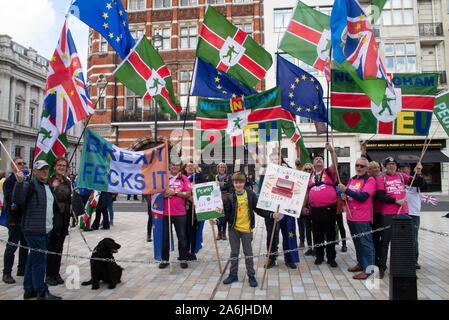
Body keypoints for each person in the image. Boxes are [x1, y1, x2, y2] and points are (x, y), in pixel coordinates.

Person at [13, 160, 62, 300]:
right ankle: (42, 292)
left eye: (46, 169)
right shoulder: (29, 185)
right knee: (40, 262)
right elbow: (17, 199)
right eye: (41, 169)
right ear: (34, 171)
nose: (44, 172)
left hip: (46, 230)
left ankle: (29, 290)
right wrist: (19, 182)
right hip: (34, 230)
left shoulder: (46, 186)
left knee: (32, 260)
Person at [217, 172, 269, 287]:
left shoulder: (250, 194)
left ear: (244, 183)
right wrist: (216, 221)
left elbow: (258, 209)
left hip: (246, 229)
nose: (238, 185)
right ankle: (233, 274)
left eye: (240, 182)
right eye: (236, 182)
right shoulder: (230, 196)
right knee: (234, 252)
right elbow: (225, 214)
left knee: (248, 253)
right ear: (233, 183)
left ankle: (251, 275)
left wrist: (270, 215)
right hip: (233, 229)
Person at [375, 156, 424, 278]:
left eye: (393, 164)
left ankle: (405, 267)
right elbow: (381, 196)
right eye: (389, 164)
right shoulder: (382, 178)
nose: (392, 166)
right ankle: (382, 267)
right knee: (385, 241)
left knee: (403, 242)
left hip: (404, 213)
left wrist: (419, 172)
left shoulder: (401, 176)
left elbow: (418, 183)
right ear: (385, 166)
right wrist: (396, 201)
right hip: (388, 213)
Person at [259, 151, 299, 270]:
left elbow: (297, 186)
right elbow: (261, 191)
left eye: (277, 158)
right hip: (272, 209)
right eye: (273, 158)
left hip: (286, 209)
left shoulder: (289, 170)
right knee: (271, 234)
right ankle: (271, 258)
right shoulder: (265, 173)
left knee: (288, 233)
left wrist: (288, 172)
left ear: (281, 159)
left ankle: (290, 258)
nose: (275, 160)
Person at [338, 158, 376, 280]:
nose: (359, 168)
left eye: (362, 166)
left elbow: (363, 197)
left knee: (366, 243)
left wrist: (346, 191)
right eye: (357, 165)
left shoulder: (369, 180)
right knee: (357, 242)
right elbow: (348, 194)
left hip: (362, 218)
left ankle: (368, 270)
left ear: (367, 168)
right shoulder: (352, 179)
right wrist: (344, 195)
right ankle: (361, 264)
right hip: (351, 216)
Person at [305, 143, 339, 267]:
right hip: (315, 209)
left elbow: (335, 164)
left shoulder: (329, 172)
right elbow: (307, 192)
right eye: (316, 159)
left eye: (321, 159)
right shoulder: (311, 176)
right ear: (313, 164)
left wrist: (332, 151)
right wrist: (304, 206)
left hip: (329, 208)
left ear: (323, 163)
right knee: (317, 233)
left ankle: (331, 257)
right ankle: (319, 256)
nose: (319, 160)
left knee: (330, 233)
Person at [159, 161, 192, 270]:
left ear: (180, 167)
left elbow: (188, 194)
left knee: (182, 237)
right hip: (165, 213)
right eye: (172, 164)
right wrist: (163, 195)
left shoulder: (183, 178)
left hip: (180, 213)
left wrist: (175, 193)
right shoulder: (163, 178)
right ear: (169, 165)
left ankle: (183, 258)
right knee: (165, 237)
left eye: (177, 165)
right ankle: (164, 259)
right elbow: (156, 193)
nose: (174, 167)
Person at [2, 157, 29, 284]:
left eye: (24, 163)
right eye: (19, 163)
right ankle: (7, 272)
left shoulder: (27, 179)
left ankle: (22, 269)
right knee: (12, 245)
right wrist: (11, 219)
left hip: (25, 218)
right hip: (15, 218)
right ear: (13, 166)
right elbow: (9, 201)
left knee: (25, 245)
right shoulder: (9, 181)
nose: (22, 165)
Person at [46, 157, 72, 286]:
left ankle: (56, 273)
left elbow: (68, 199)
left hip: (65, 217)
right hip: (53, 217)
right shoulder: (50, 181)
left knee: (59, 246)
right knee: (52, 246)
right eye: (59, 165)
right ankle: (49, 274)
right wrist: (52, 189)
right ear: (54, 167)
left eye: (64, 165)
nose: (62, 167)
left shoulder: (67, 182)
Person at [398, 162, 426, 269]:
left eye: (404, 169)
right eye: (400, 169)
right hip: (401, 211)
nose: (401, 171)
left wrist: (418, 172)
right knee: (401, 238)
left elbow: (423, 184)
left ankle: (414, 260)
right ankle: (402, 258)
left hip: (413, 213)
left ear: (409, 169)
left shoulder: (414, 179)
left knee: (413, 238)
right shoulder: (398, 180)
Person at [184, 161, 206, 261]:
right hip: (183, 209)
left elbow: (205, 183)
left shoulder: (197, 178)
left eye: (192, 166)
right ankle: (185, 251)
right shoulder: (181, 178)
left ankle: (192, 252)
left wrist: (198, 171)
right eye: (188, 166)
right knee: (184, 231)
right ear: (184, 168)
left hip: (195, 209)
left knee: (193, 230)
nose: (190, 167)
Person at [300, 162, 315, 256]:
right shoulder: (301, 181)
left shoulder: (315, 179)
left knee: (316, 229)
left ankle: (317, 247)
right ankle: (309, 247)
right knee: (307, 228)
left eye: (310, 169)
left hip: (315, 207)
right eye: (306, 169)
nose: (308, 171)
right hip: (305, 207)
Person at [215, 163, 232, 240]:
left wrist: (219, 186)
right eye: (220, 167)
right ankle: (219, 232)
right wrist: (221, 186)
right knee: (219, 215)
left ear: (225, 169)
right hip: (217, 199)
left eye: (223, 167)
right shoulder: (215, 177)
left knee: (225, 216)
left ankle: (224, 233)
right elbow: (212, 186)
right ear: (218, 169)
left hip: (226, 199)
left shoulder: (228, 177)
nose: (221, 168)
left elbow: (229, 186)